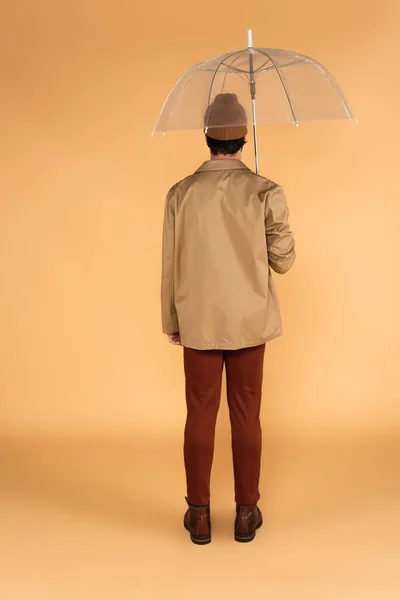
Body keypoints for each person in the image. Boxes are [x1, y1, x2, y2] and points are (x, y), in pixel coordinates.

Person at [161, 93, 296, 545]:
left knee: (199, 414)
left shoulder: (179, 193)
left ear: (206, 138)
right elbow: (284, 261)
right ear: (244, 137)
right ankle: (245, 513)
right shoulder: (265, 190)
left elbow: (170, 265)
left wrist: (171, 319)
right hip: (249, 321)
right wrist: (274, 219)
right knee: (247, 415)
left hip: (197, 318)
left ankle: (198, 515)